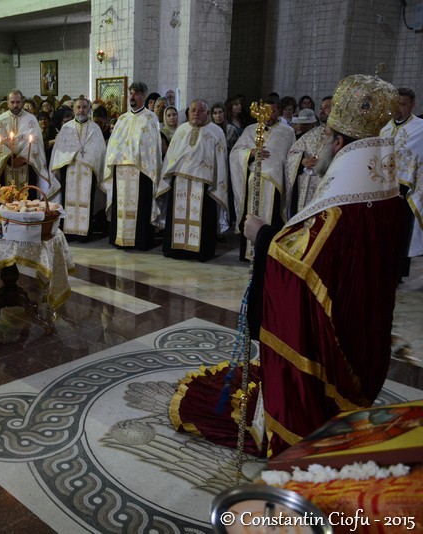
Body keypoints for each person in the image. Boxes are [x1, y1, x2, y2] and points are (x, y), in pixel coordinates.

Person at [171, 73, 408, 457]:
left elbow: (304, 265)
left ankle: (308, 424)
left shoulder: (341, 210)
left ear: (338, 143)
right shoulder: (387, 196)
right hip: (364, 332)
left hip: (329, 351)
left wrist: (262, 236)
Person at [155, 99, 229, 261]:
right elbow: (171, 158)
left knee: (204, 218)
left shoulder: (216, 132)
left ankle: (201, 252)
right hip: (179, 181)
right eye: (193, 110)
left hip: (205, 186)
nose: (196, 113)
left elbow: (221, 162)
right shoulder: (181, 130)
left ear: (207, 113)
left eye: (201, 110)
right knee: (177, 216)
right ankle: (175, 249)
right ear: (188, 113)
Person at [229, 95, 295, 260]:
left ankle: (269, 253)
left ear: (278, 111)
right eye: (264, 111)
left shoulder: (287, 132)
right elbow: (236, 152)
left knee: (273, 217)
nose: (267, 115)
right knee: (250, 213)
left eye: (272, 111)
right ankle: (248, 253)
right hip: (253, 179)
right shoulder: (251, 129)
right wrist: (250, 153)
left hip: (276, 182)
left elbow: (292, 157)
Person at [102, 81, 162, 250]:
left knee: (140, 205)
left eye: (136, 93)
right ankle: (119, 238)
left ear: (143, 96)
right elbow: (114, 144)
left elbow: (151, 147)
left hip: (141, 170)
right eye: (131, 93)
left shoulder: (150, 118)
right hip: (121, 170)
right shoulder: (122, 118)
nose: (132, 97)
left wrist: (137, 157)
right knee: (121, 205)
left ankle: (140, 240)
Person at [50, 96, 107, 240]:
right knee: (67, 200)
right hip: (69, 170)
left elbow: (99, 151)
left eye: (84, 107)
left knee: (87, 201)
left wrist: (87, 159)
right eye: (78, 107)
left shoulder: (95, 129)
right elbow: (59, 151)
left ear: (88, 109)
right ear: (74, 109)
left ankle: (84, 234)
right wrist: (69, 158)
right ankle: (68, 232)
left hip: (89, 170)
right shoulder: (66, 128)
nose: (81, 110)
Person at [380, 87, 423, 279]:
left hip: (406, 189)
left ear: (413, 105)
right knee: (383, 232)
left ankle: (397, 273)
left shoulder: (420, 128)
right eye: (395, 103)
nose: (398, 108)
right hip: (382, 187)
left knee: (401, 231)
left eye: (403, 104)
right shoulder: (384, 128)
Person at [0, 89, 55, 202]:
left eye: (18, 102)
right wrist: (9, 158)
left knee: (28, 200)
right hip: (6, 165)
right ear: (7, 103)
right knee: (6, 199)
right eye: (12, 102)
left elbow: (35, 142)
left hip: (27, 164)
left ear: (22, 102)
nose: (15, 105)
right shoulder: (0, 120)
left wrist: (22, 158)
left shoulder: (31, 119)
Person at [284, 95, 332, 218]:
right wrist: (303, 160)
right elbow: (293, 153)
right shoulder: (312, 134)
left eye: (327, 107)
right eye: (321, 107)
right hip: (306, 190)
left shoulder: (341, 136)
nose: (322, 110)